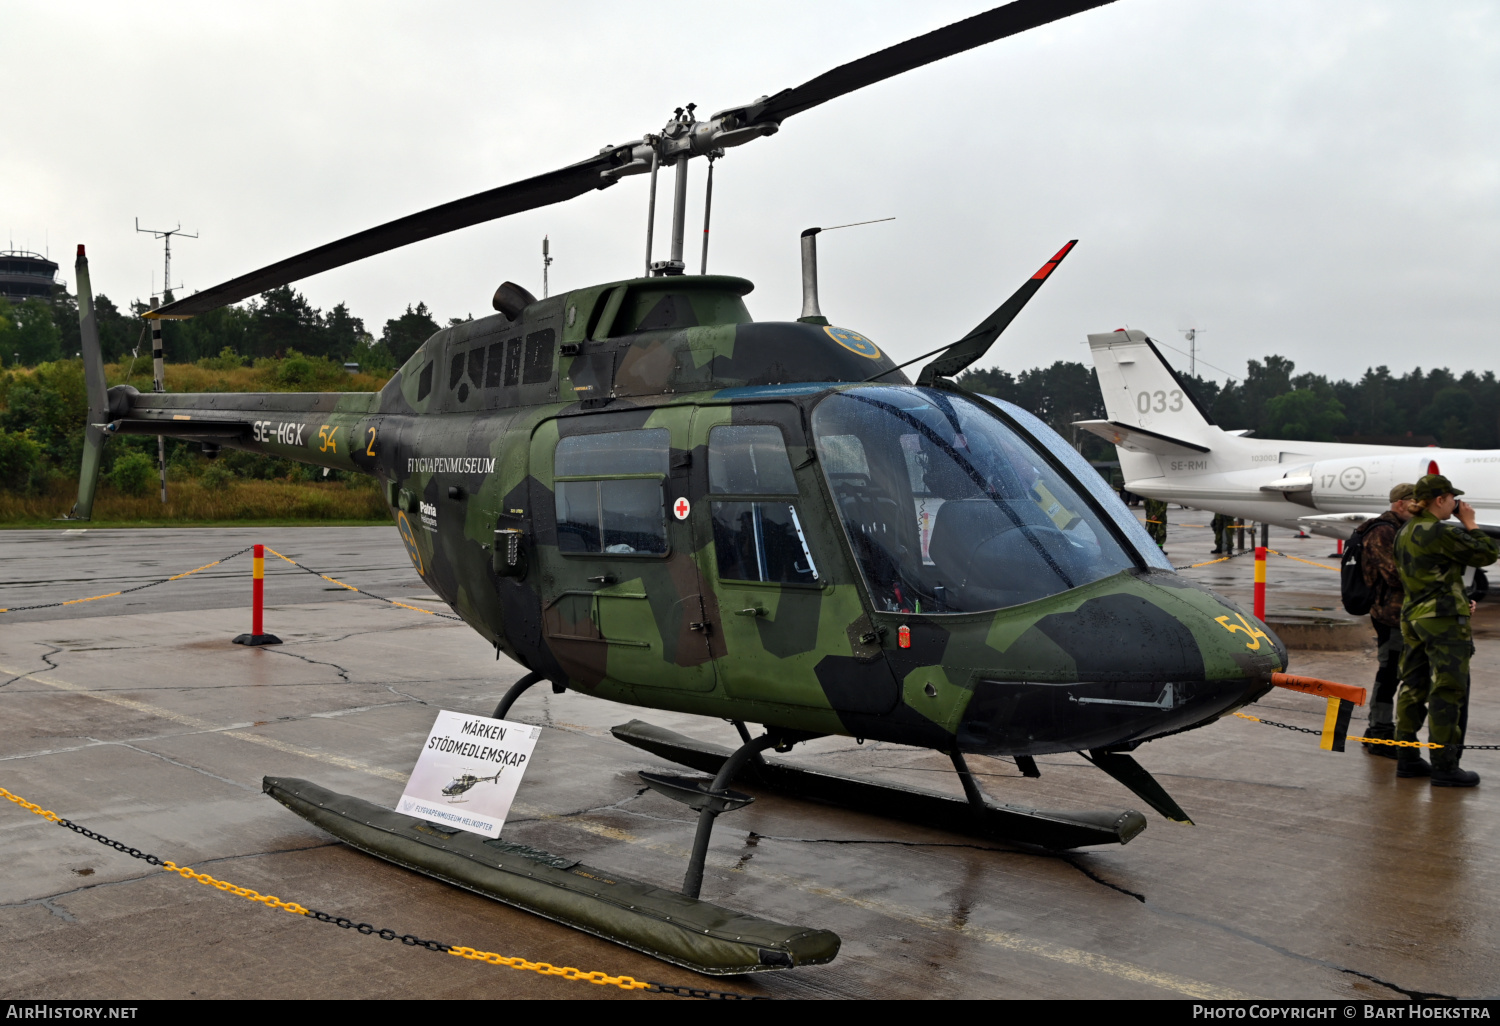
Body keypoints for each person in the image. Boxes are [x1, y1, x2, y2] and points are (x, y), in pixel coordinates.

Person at [1392, 473, 1499, 787]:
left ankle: (1407, 758)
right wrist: (1471, 522)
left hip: (1413, 617)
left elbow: (1430, 575)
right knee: (1448, 689)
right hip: (1442, 620)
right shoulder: (1437, 531)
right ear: (1440, 500)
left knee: (1412, 685)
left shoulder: (1406, 530)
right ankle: (1445, 765)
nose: (1457, 505)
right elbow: (1488, 553)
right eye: (1453, 500)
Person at [1355, 483, 1415, 757]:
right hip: (1389, 614)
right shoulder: (1382, 531)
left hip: (1399, 612)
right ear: (1400, 503)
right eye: (1415, 502)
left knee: (1395, 672)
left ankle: (1379, 729)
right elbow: (1395, 574)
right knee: (1389, 672)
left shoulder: (1397, 529)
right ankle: (1379, 731)